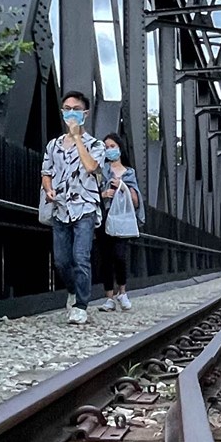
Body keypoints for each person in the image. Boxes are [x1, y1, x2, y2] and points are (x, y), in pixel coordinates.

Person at [40, 89, 103, 325]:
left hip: (84, 206)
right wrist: (48, 189)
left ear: (85, 113)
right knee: (61, 261)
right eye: (67, 109)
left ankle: (81, 306)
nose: (71, 113)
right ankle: (73, 291)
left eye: (76, 109)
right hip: (60, 207)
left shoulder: (95, 144)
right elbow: (46, 173)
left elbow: (91, 167)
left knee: (81, 257)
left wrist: (77, 138)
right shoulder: (53, 145)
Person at [94, 133, 143, 311]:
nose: (109, 150)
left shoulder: (130, 173)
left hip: (121, 218)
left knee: (120, 256)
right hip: (104, 217)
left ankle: (122, 291)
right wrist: (103, 194)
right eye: (106, 147)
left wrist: (122, 186)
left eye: (112, 146)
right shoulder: (100, 170)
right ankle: (109, 297)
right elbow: (90, 192)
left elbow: (136, 201)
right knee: (105, 258)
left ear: (120, 148)